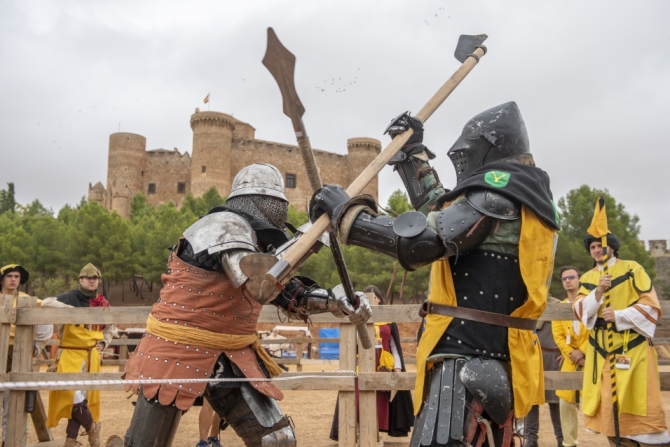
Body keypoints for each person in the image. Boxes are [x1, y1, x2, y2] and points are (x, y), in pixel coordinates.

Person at [312, 102, 560, 446]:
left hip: (469, 363)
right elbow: (441, 212)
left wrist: (347, 214)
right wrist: (412, 155)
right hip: (491, 360)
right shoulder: (523, 196)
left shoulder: (499, 194)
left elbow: (423, 242)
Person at [121, 163, 371, 447]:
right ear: (256, 201)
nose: (281, 211)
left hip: (231, 352)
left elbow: (288, 293)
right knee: (146, 444)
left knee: (277, 440)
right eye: (275, 204)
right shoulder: (224, 226)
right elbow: (258, 284)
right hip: (176, 348)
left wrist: (336, 301)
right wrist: (311, 236)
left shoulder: (255, 243)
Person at [574, 234, 669, 446]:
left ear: (613, 248)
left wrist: (619, 316)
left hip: (632, 350)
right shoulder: (588, 277)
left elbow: (651, 305)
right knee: (608, 407)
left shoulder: (632, 268)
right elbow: (579, 308)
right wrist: (598, 292)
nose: (597, 250)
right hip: (601, 353)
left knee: (640, 401)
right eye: (593, 247)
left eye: (601, 246)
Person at [42, 263, 115, 447]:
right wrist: (73, 313)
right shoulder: (70, 297)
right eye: (88, 278)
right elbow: (46, 302)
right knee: (72, 395)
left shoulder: (102, 302)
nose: (92, 281)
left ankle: (71, 440)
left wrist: (104, 342)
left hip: (91, 355)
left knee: (82, 396)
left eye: (95, 278)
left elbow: (111, 327)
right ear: (80, 280)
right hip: (70, 353)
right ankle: (92, 427)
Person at [329, 285, 414, 441]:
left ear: (378, 299)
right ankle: (359, 433)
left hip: (383, 366)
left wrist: (397, 367)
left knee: (379, 401)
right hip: (362, 363)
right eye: (365, 298)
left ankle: (373, 434)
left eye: (371, 297)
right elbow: (352, 342)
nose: (368, 300)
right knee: (358, 399)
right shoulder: (357, 317)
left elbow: (394, 346)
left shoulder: (388, 319)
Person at [0, 264, 53, 447]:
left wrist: (36, 347)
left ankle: (8, 441)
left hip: (17, 352)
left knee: (13, 401)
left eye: (16, 276)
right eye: (9, 276)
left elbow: (45, 324)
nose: (13, 279)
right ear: (2, 279)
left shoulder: (30, 301)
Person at [552, 266, 588, 447]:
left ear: (579, 279)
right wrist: (572, 354)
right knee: (565, 403)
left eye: (571, 277)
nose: (567, 281)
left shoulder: (590, 302)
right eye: (564, 279)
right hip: (570, 360)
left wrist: (583, 350)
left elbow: (595, 331)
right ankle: (569, 443)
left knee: (595, 402)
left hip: (591, 359)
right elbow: (558, 336)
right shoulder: (559, 307)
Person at [525, 295, 564, 447]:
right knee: (531, 400)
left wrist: (565, 352)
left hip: (553, 356)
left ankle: (561, 439)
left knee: (556, 401)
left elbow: (566, 331)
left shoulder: (558, 305)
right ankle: (531, 439)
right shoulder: (528, 301)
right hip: (532, 355)